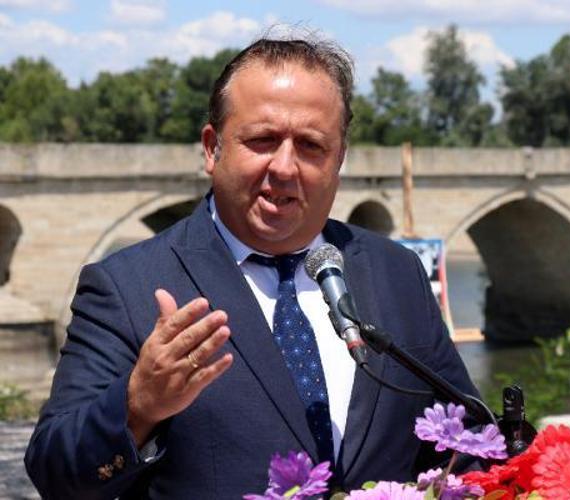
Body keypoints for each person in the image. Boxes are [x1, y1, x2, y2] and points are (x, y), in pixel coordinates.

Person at [25, 34, 478, 499]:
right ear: (212, 148)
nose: (284, 167)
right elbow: (54, 473)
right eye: (262, 140)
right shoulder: (126, 286)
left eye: (311, 145)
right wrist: (137, 407)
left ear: (339, 160)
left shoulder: (396, 272)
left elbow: (469, 443)